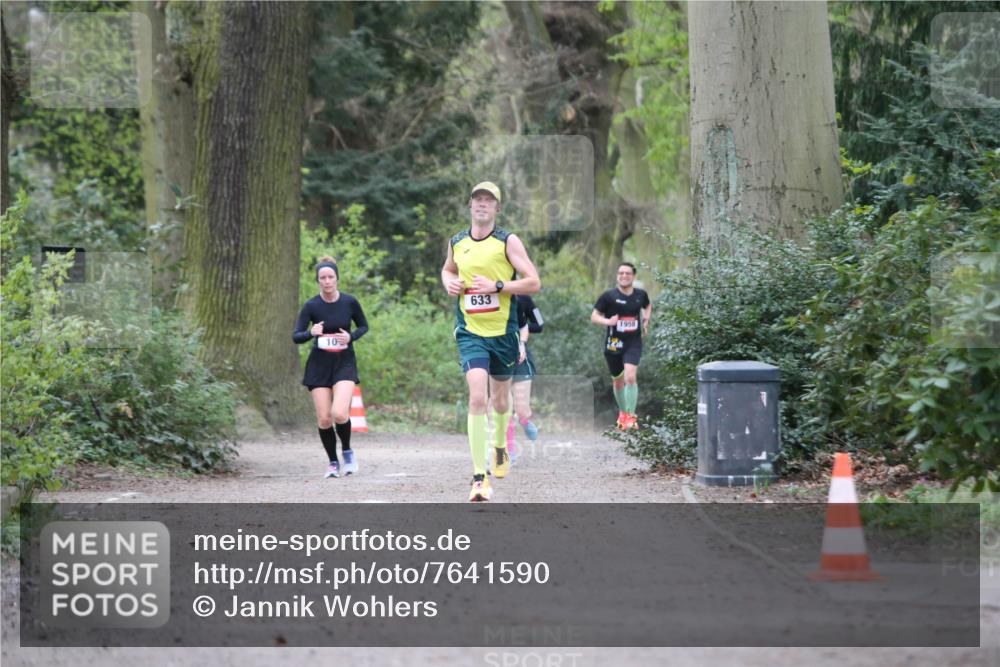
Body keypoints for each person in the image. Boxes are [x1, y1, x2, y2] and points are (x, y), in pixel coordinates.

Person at [441, 181, 541, 502]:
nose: (482, 204)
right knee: (476, 397)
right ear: (470, 206)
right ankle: (478, 477)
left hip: (504, 334)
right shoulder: (457, 242)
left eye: (489, 200)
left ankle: (500, 444)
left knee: (500, 400)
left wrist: (498, 286)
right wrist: (450, 283)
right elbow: (447, 270)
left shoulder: (507, 241)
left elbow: (533, 282)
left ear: (497, 208)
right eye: (477, 200)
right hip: (470, 332)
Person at [293, 256, 369, 479]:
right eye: (322, 278)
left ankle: (347, 451)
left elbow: (364, 326)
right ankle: (333, 462)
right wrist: (310, 333)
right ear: (318, 281)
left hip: (344, 362)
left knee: (339, 412)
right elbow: (296, 336)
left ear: (337, 278)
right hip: (319, 366)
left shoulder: (349, 302)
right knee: (325, 419)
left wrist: (351, 336)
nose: (327, 281)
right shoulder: (311, 306)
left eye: (330, 277)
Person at [591, 262, 651, 430]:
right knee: (618, 382)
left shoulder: (640, 295)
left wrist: (646, 320)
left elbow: (647, 306)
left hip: (633, 342)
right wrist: (607, 321)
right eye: (621, 273)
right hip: (614, 343)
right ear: (617, 276)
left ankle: (631, 417)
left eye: (627, 273)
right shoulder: (608, 296)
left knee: (630, 377)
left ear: (633, 276)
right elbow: (594, 316)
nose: (624, 276)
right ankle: (623, 414)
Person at [507, 295, 543, 463]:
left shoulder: (525, 299)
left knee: (522, 410)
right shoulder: (490, 296)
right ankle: (509, 451)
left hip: (521, 357)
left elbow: (539, 324)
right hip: (497, 356)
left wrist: (519, 326)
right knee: (503, 409)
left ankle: (524, 420)